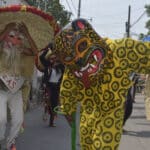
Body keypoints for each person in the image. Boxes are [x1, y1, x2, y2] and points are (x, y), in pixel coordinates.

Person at [36, 18, 150, 150]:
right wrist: (69, 112)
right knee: (86, 146)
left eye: (82, 46)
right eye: (70, 57)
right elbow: (67, 92)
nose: (79, 58)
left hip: (110, 113)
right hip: (86, 117)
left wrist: (69, 112)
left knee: (103, 146)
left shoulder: (120, 49)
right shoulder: (73, 71)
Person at [0, 22, 37, 150]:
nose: (15, 40)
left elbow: (35, 51)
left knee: (18, 120)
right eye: (11, 36)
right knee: (1, 119)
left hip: (16, 91)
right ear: (5, 37)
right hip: (1, 90)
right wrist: (6, 29)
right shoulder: (2, 48)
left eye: (19, 38)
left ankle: (10, 143)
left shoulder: (21, 50)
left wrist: (26, 33)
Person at [41, 44, 65, 127]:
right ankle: (46, 113)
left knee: (54, 104)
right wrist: (47, 49)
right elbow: (41, 58)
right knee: (48, 102)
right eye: (51, 58)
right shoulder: (48, 65)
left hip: (56, 87)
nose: (53, 60)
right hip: (49, 86)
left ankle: (51, 121)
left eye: (55, 58)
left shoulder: (61, 67)